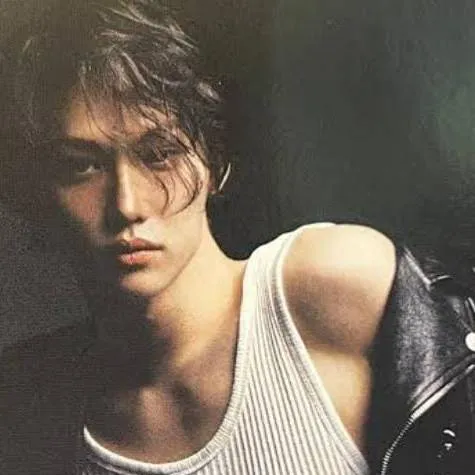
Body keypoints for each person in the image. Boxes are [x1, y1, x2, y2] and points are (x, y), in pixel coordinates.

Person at [0, 1, 473, 475]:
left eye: (160, 153)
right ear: (38, 192)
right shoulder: (30, 411)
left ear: (215, 164)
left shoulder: (330, 286)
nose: (127, 204)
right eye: (81, 166)